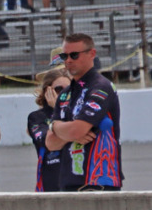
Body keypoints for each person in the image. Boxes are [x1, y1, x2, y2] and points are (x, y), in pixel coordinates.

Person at [46, 33, 122, 190]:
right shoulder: (65, 93)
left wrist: (57, 127)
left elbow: (77, 130)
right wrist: (58, 128)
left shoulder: (101, 87)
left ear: (92, 54)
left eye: (74, 55)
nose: (68, 60)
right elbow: (51, 143)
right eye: (64, 56)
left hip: (99, 180)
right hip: (69, 181)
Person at [27, 68, 73, 192]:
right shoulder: (36, 117)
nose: (64, 94)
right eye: (59, 90)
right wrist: (57, 111)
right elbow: (50, 143)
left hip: (77, 183)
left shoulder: (78, 114)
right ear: (48, 91)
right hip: (50, 188)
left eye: (68, 89)